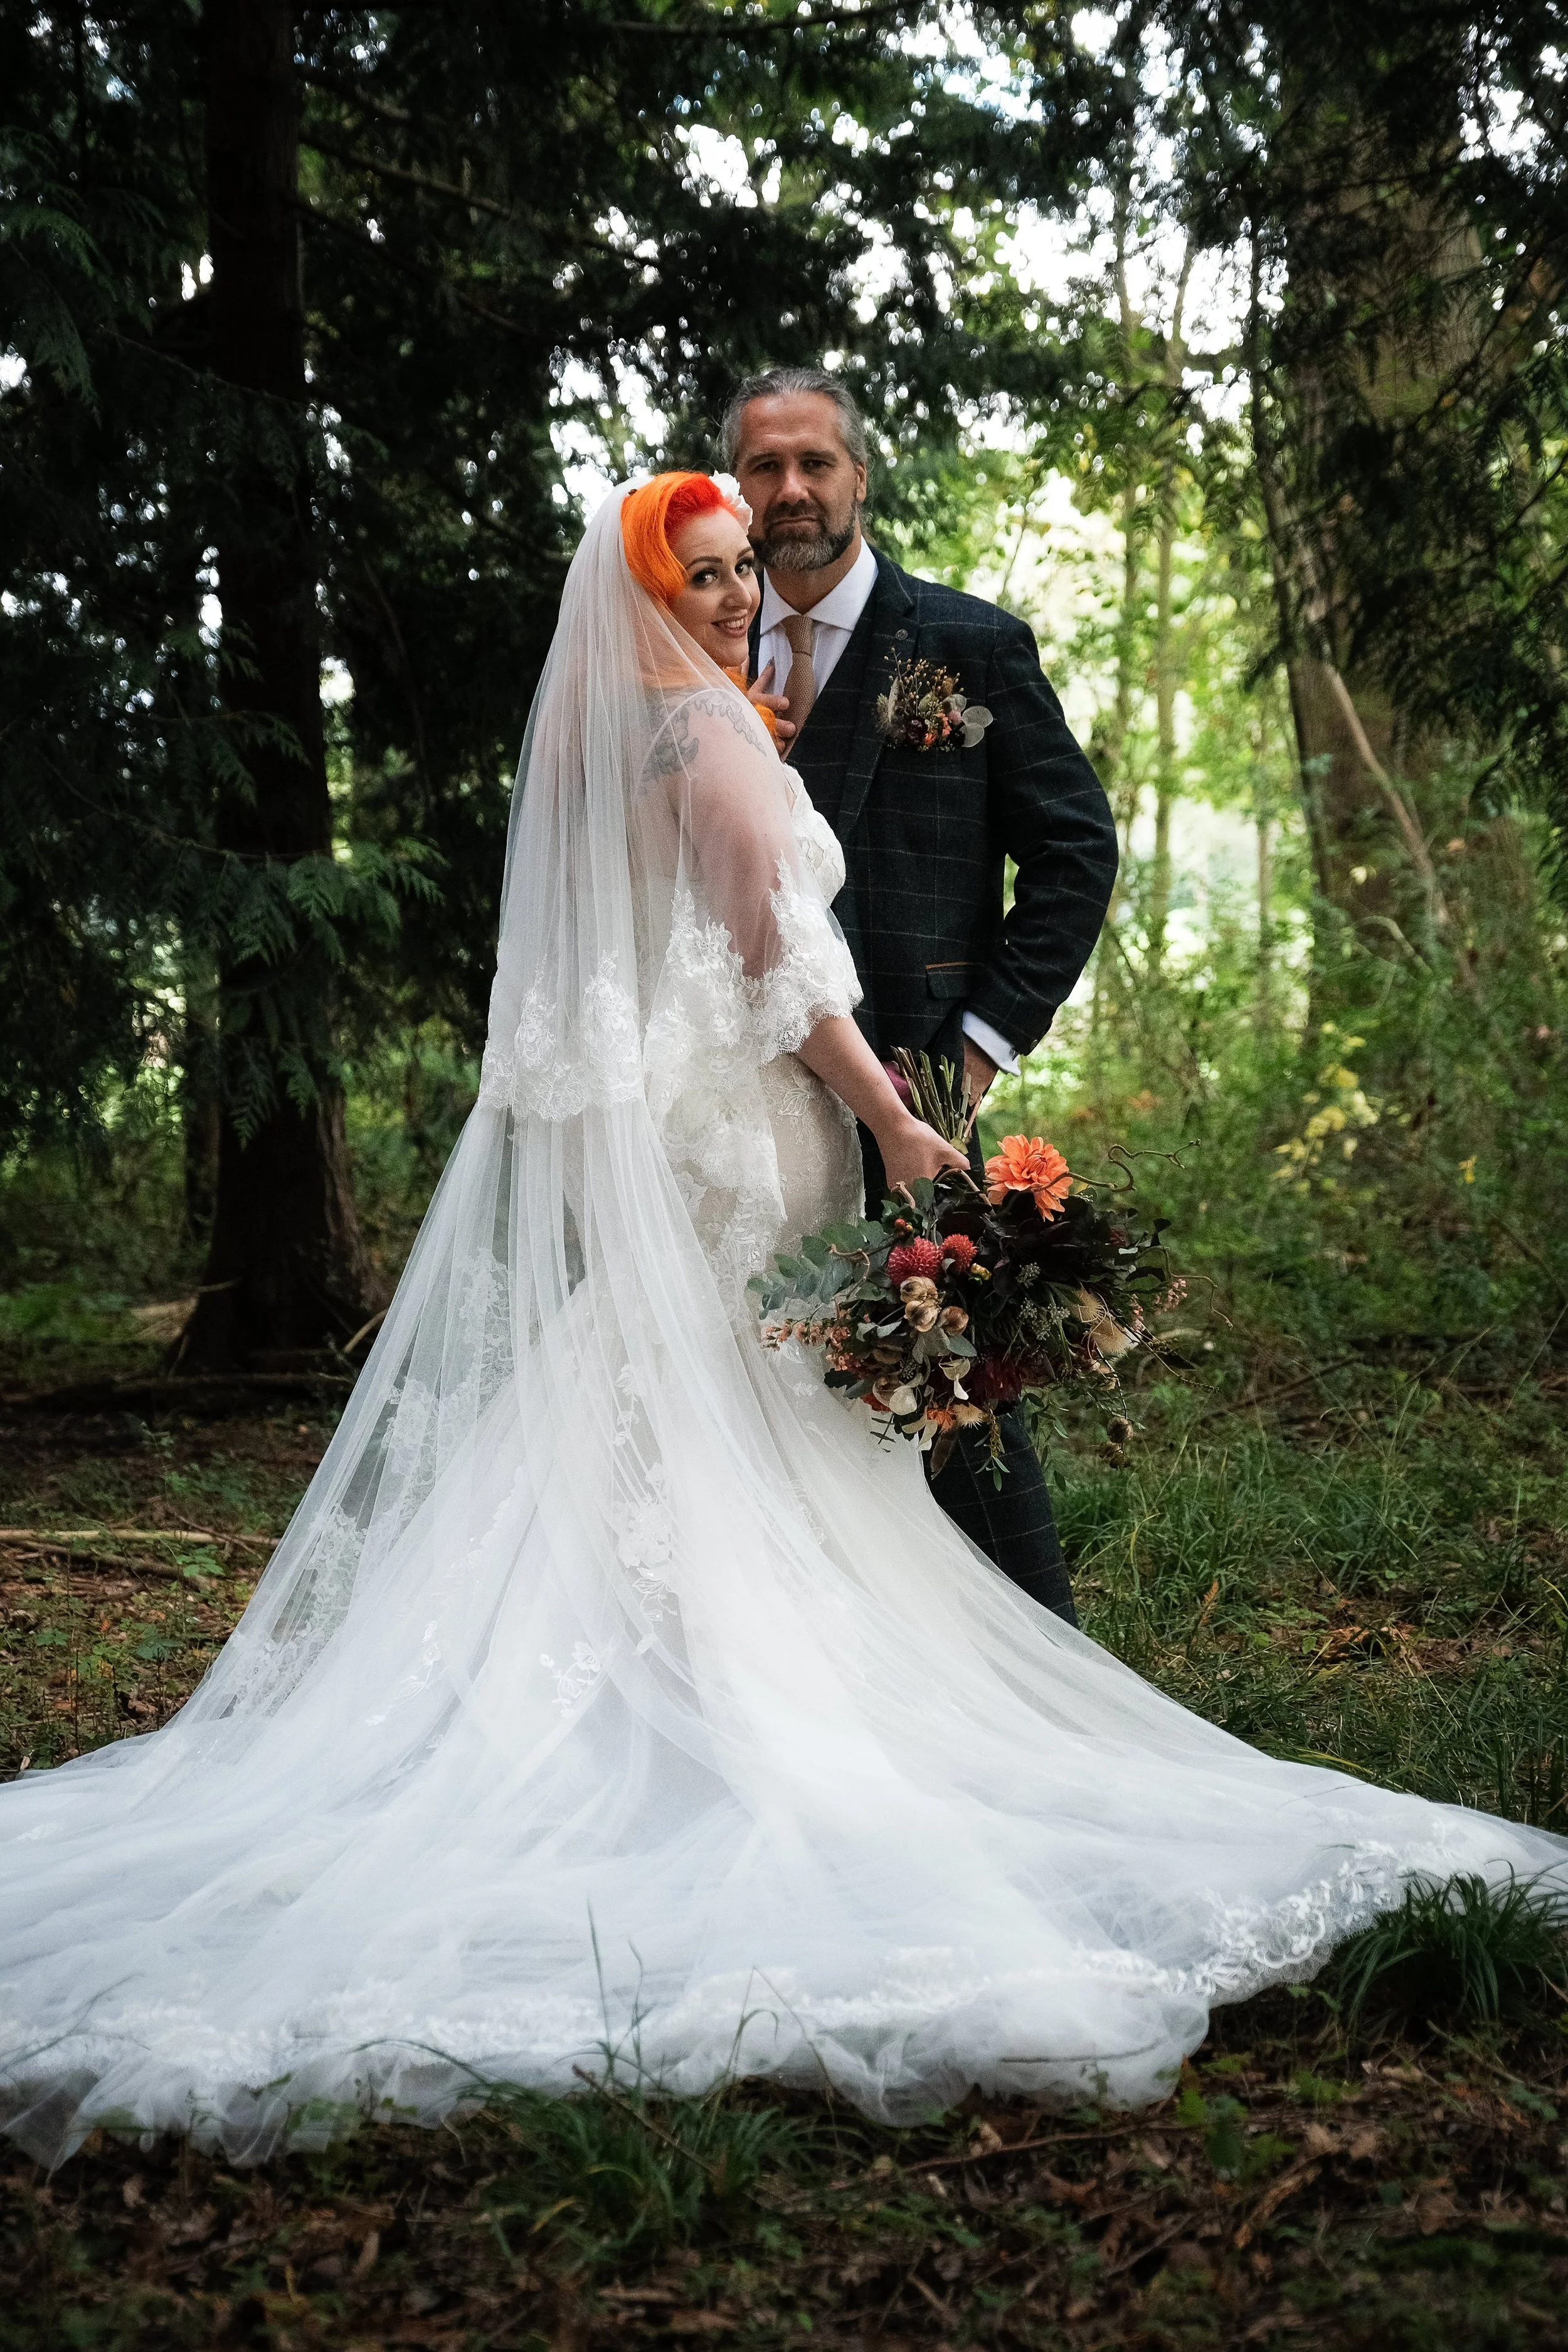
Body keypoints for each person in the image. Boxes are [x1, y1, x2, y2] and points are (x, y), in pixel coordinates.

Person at [1, 472, 1561, 2171]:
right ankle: (730, 1714)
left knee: (672, 1407)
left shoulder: (625, 727)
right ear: (651, 587)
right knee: (736, 1412)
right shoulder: (711, 733)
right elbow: (772, 959)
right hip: (754, 1118)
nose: (741, 592)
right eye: (710, 569)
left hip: (691, 1122)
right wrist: (892, 1120)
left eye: (748, 566)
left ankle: (659, 1683)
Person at [727, 368, 1116, 1626]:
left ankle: (1028, 1664)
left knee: (945, 1383)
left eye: (813, 464)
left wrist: (980, 1051)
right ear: (733, 485)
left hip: (914, 1085)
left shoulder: (964, 644)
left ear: (856, 476)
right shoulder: (694, 643)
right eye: (763, 467)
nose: (790, 491)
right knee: (745, 1375)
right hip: (734, 1104)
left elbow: (1071, 852)